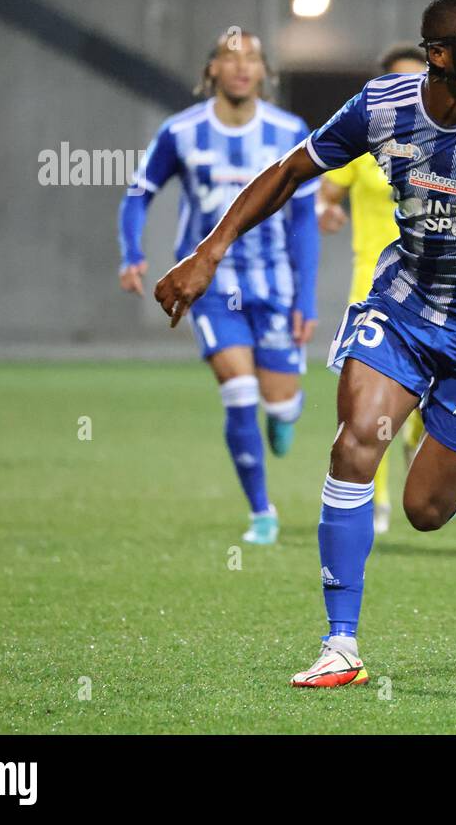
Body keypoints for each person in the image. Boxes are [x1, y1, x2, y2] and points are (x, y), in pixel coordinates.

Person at [152, 0, 456, 688]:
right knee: (356, 439)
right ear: (438, 55)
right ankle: (341, 643)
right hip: (404, 309)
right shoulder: (381, 108)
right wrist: (209, 250)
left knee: (423, 511)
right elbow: (292, 171)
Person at [118, 30, 320, 544]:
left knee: (279, 404)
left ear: (264, 72)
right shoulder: (181, 132)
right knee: (238, 391)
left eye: (251, 57)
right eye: (230, 57)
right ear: (211, 70)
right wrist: (133, 252)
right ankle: (261, 513)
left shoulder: (289, 131)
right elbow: (138, 194)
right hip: (210, 285)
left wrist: (307, 297)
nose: (240, 66)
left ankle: (282, 415)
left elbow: (304, 220)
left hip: (274, 284)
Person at [316, 43, 429, 535]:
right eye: (397, 82)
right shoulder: (365, 140)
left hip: (436, 288)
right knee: (367, 406)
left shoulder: (450, 142)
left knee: (426, 405)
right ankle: (376, 500)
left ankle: (417, 439)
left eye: (418, 79)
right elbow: (326, 190)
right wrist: (328, 210)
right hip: (374, 286)